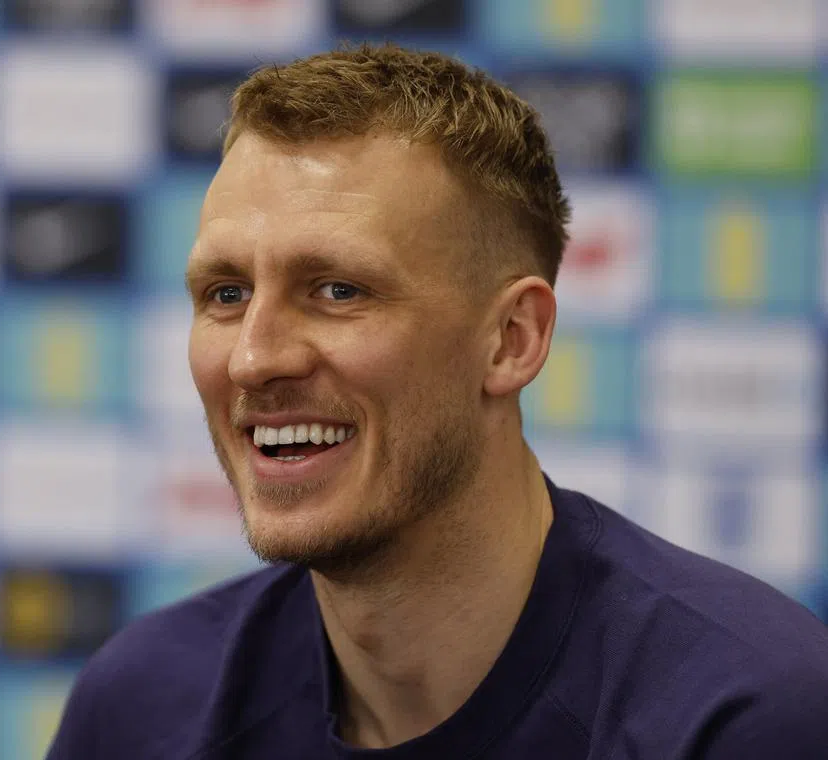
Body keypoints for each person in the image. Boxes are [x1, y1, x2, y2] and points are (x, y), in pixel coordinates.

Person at [44, 44, 828, 759]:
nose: (254, 358)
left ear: (512, 340)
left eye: (337, 290)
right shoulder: (142, 707)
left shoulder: (747, 717)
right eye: (226, 293)